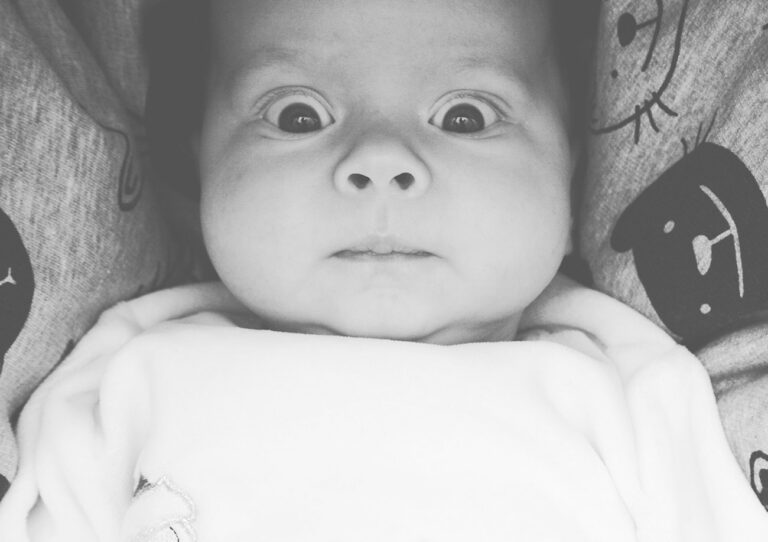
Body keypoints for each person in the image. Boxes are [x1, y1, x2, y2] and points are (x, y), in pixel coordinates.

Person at [0, 0, 766, 540]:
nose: (380, 160)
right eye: (297, 115)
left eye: (466, 116)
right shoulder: (130, 375)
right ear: (200, 164)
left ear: (570, 171)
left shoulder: (628, 395)